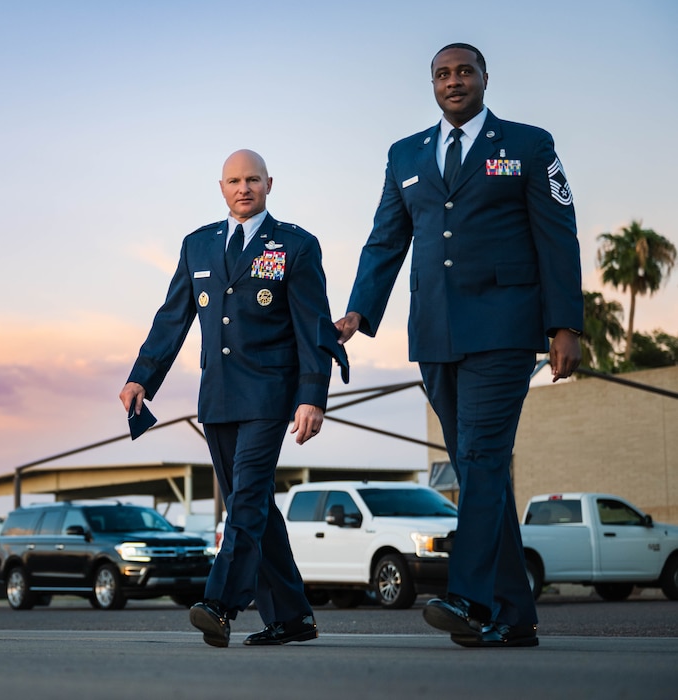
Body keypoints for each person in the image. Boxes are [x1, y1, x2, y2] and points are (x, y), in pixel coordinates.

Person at [334, 43, 583, 648]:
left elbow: (558, 234)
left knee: (480, 459)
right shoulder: (406, 155)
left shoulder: (528, 145)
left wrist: (564, 324)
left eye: (464, 72)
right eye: (443, 74)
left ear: (484, 80)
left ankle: (471, 599)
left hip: (503, 328)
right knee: (481, 471)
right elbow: (385, 240)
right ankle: (514, 615)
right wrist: (358, 311)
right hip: (435, 334)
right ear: (433, 85)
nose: (454, 82)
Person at [120, 149, 347, 648]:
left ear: (270, 184)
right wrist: (143, 377)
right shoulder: (197, 246)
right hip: (218, 397)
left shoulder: (296, 245)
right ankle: (292, 617)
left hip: (270, 393)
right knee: (256, 505)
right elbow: (172, 318)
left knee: (244, 500)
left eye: (253, 180)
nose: (243, 188)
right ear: (221, 187)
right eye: (234, 181)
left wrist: (313, 396)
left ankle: (220, 604)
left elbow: (312, 328)